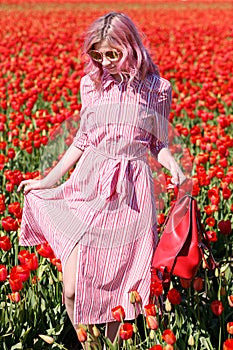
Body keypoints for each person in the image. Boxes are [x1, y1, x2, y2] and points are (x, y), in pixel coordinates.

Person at [18, 12, 186, 348]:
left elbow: (158, 143)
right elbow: (82, 139)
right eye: (98, 54)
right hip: (89, 184)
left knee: (120, 288)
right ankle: (87, 342)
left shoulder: (157, 88)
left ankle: (109, 346)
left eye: (112, 54)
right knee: (72, 287)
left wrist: (174, 167)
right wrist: (47, 181)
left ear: (131, 49)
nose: (105, 61)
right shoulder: (91, 85)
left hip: (131, 193)